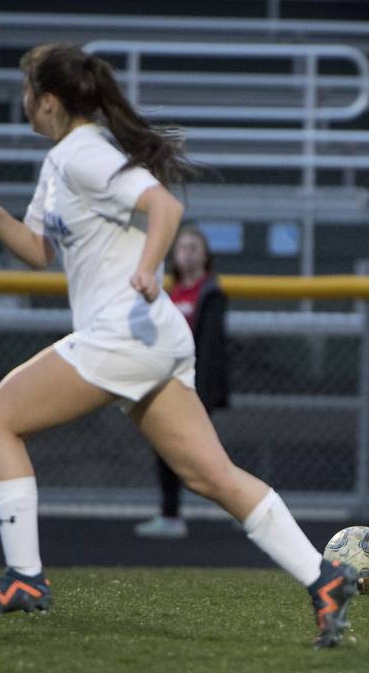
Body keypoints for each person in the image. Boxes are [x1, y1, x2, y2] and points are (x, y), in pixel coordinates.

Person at [0, 43, 357, 648]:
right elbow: (38, 252)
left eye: (27, 91)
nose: (24, 102)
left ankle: (24, 577)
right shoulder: (62, 161)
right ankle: (322, 578)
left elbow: (162, 206)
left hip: (122, 331)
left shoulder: (82, 153)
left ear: (49, 101)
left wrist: (147, 265)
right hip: (149, 336)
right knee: (209, 474)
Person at [135, 226, 228, 539]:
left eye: (194, 247)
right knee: (166, 450)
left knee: (202, 455)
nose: (187, 252)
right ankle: (170, 515)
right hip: (166, 384)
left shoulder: (210, 292)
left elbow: (212, 348)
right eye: (182, 247)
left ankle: (246, 506)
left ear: (204, 254)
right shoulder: (167, 291)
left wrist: (203, 392)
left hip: (194, 387)